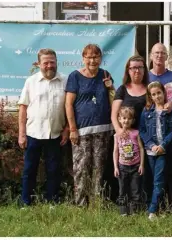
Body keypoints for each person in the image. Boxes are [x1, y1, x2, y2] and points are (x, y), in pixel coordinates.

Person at [18, 48, 68, 207]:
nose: (49, 65)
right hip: (33, 133)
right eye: (45, 62)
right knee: (29, 170)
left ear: (56, 62)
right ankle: (26, 202)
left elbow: (70, 107)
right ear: (38, 64)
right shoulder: (30, 82)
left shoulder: (65, 80)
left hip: (56, 134)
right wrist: (22, 134)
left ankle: (52, 201)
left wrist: (67, 129)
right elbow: (23, 108)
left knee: (53, 170)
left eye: (52, 62)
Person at [65, 44, 113, 206]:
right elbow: (68, 104)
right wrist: (72, 129)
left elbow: (113, 99)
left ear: (100, 58)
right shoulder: (75, 77)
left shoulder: (105, 75)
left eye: (96, 57)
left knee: (99, 169)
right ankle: (80, 204)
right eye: (89, 57)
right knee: (81, 169)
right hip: (81, 131)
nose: (92, 60)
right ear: (83, 58)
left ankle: (97, 203)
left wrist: (111, 87)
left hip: (104, 129)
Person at [139, 81, 172, 220]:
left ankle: (152, 210)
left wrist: (163, 145)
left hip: (163, 151)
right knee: (152, 180)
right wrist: (150, 145)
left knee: (159, 180)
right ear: (150, 96)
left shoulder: (170, 112)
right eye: (153, 94)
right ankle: (158, 206)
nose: (157, 96)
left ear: (164, 93)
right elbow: (142, 130)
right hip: (151, 152)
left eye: (159, 93)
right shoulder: (146, 111)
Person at [113, 107, 145, 216]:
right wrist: (116, 167)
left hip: (135, 167)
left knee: (135, 190)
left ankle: (134, 211)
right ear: (119, 119)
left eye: (129, 119)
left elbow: (141, 148)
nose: (126, 121)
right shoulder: (117, 135)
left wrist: (141, 165)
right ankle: (123, 212)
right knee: (122, 190)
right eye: (124, 118)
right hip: (122, 167)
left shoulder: (136, 133)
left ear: (133, 121)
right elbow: (115, 151)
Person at [111, 55, 149, 135]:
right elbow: (114, 115)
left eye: (140, 67)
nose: (137, 71)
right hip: (127, 137)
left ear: (144, 70)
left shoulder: (150, 89)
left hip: (147, 137)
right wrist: (119, 130)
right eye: (134, 68)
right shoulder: (122, 90)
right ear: (128, 70)